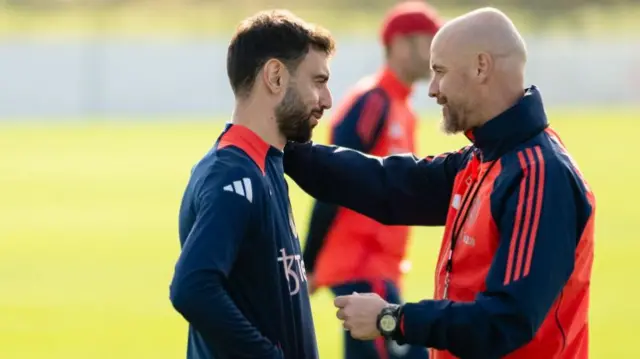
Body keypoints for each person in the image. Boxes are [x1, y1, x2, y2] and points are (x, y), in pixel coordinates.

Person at [284, 7, 594, 359]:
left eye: (440, 72)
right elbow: (387, 184)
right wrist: (283, 146)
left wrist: (393, 319)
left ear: (481, 67)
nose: (433, 90)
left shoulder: (538, 174)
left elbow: (507, 320)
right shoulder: (480, 160)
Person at [169, 9, 334, 359]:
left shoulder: (265, 162)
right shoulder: (232, 174)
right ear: (275, 76)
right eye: (318, 82)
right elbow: (192, 287)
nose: (327, 100)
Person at [301, 2, 440, 359]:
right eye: (430, 42)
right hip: (361, 268)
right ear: (400, 44)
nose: (436, 53)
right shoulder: (372, 101)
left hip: (379, 270)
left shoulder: (402, 108)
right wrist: (309, 263)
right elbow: (331, 179)